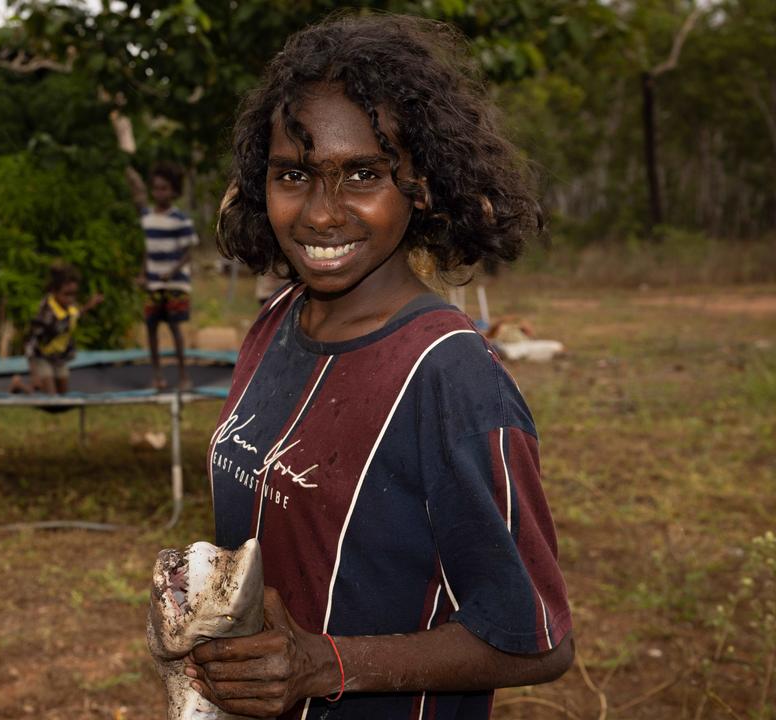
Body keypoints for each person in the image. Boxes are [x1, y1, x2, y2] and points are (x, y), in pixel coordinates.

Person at [189, 14, 573, 719]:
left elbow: (535, 639)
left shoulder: (449, 376)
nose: (321, 215)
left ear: (421, 185)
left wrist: (320, 667)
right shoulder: (276, 323)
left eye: (363, 174)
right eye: (294, 175)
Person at [126, 162, 199, 391]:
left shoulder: (180, 219)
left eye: (164, 188)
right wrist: (142, 275)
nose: (159, 193)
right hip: (153, 282)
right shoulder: (147, 217)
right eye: (156, 188)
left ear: (174, 191)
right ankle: (157, 376)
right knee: (151, 326)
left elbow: (189, 252)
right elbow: (147, 250)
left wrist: (173, 271)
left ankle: (183, 376)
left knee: (175, 328)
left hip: (175, 283)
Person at [8, 263, 102, 395]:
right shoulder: (46, 315)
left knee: (63, 397)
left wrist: (89, 305)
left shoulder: (70, 307)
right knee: (52, 401)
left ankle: (32, 387)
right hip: (42, 356)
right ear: (54, 292)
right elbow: (30, 343)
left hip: (59, 357)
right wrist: (34, 374)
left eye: (74, 294)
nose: (71, 299)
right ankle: (18, 385)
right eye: (67, 295)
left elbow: (74, 315)